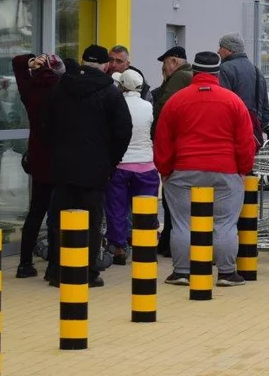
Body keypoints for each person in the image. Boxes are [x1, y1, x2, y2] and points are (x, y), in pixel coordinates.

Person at [154, 51, 258, 287]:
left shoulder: (176, 100)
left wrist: (165, 170)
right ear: (218, 73)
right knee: (225, 224)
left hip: (183, 169)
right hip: (225, 169)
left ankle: (182, 272)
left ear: (195, 73)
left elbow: (163, 139)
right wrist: (242, 169)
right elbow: (245, 141)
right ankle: (226, 273)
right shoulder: (233, 101)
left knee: (182, 223)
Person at [42, 44, 132, 287]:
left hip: (62, 167)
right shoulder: (110, 92)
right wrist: (111, 161)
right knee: (92, 222)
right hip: (95, 169)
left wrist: (57, 153)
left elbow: (45, 124)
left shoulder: (60, 88)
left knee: (60, 219)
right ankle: (89, 271)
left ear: (83, 61)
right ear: (105, 65)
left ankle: (57, 270)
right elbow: (123, 130)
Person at [11, 53, 65, 278]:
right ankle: (53, 265)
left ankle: (25, 264)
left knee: (36, 212)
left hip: (38, 159)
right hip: (60, 160)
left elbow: (17, 63)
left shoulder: (29, 90)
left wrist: (31, 61)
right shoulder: (64, 93)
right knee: (56, 215)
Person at [104, 69, 159, 266]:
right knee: (145, 211)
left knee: (117, 209)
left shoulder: (115, 105)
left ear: (121, 86)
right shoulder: (148, 106)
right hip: (146, 164)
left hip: (120, 165)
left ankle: (118, 248)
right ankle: (147, 247)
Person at [151, 46, 193, 257]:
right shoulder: (192, 76)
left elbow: (162, 108)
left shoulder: (178, 78)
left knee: (172, 199)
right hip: (189, 147)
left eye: (165, 63)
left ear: (174, 62)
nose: (163, 68)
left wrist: (154, 133)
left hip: (176, 147)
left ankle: (169, 243)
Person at [217, 33, 269, 141]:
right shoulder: (256, 70)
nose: (218, 51)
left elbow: (222, 104)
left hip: (233, 132)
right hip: (253, 132)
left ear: (229, 50)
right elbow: (265, 108)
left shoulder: (224, 69)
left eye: (221, 47)